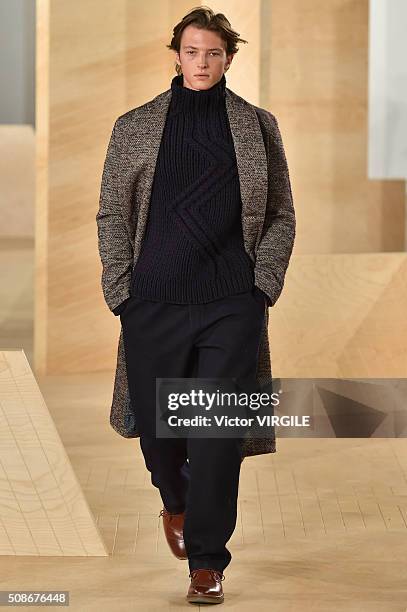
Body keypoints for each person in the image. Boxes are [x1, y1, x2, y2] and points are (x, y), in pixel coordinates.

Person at [96, 5, 296, 605]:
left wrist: (262, 285)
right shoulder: (134, 125)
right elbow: (112, 212)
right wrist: (121, 291)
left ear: (229, 59)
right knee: (161, 432)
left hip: (231, 301)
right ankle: (176, 502)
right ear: (176, 55)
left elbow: (282, 211)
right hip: (152, 299)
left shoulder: (257, 126)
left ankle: (207, 563)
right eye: (191, 51)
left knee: (215, 434)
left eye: (213, 53)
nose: (201, 62)